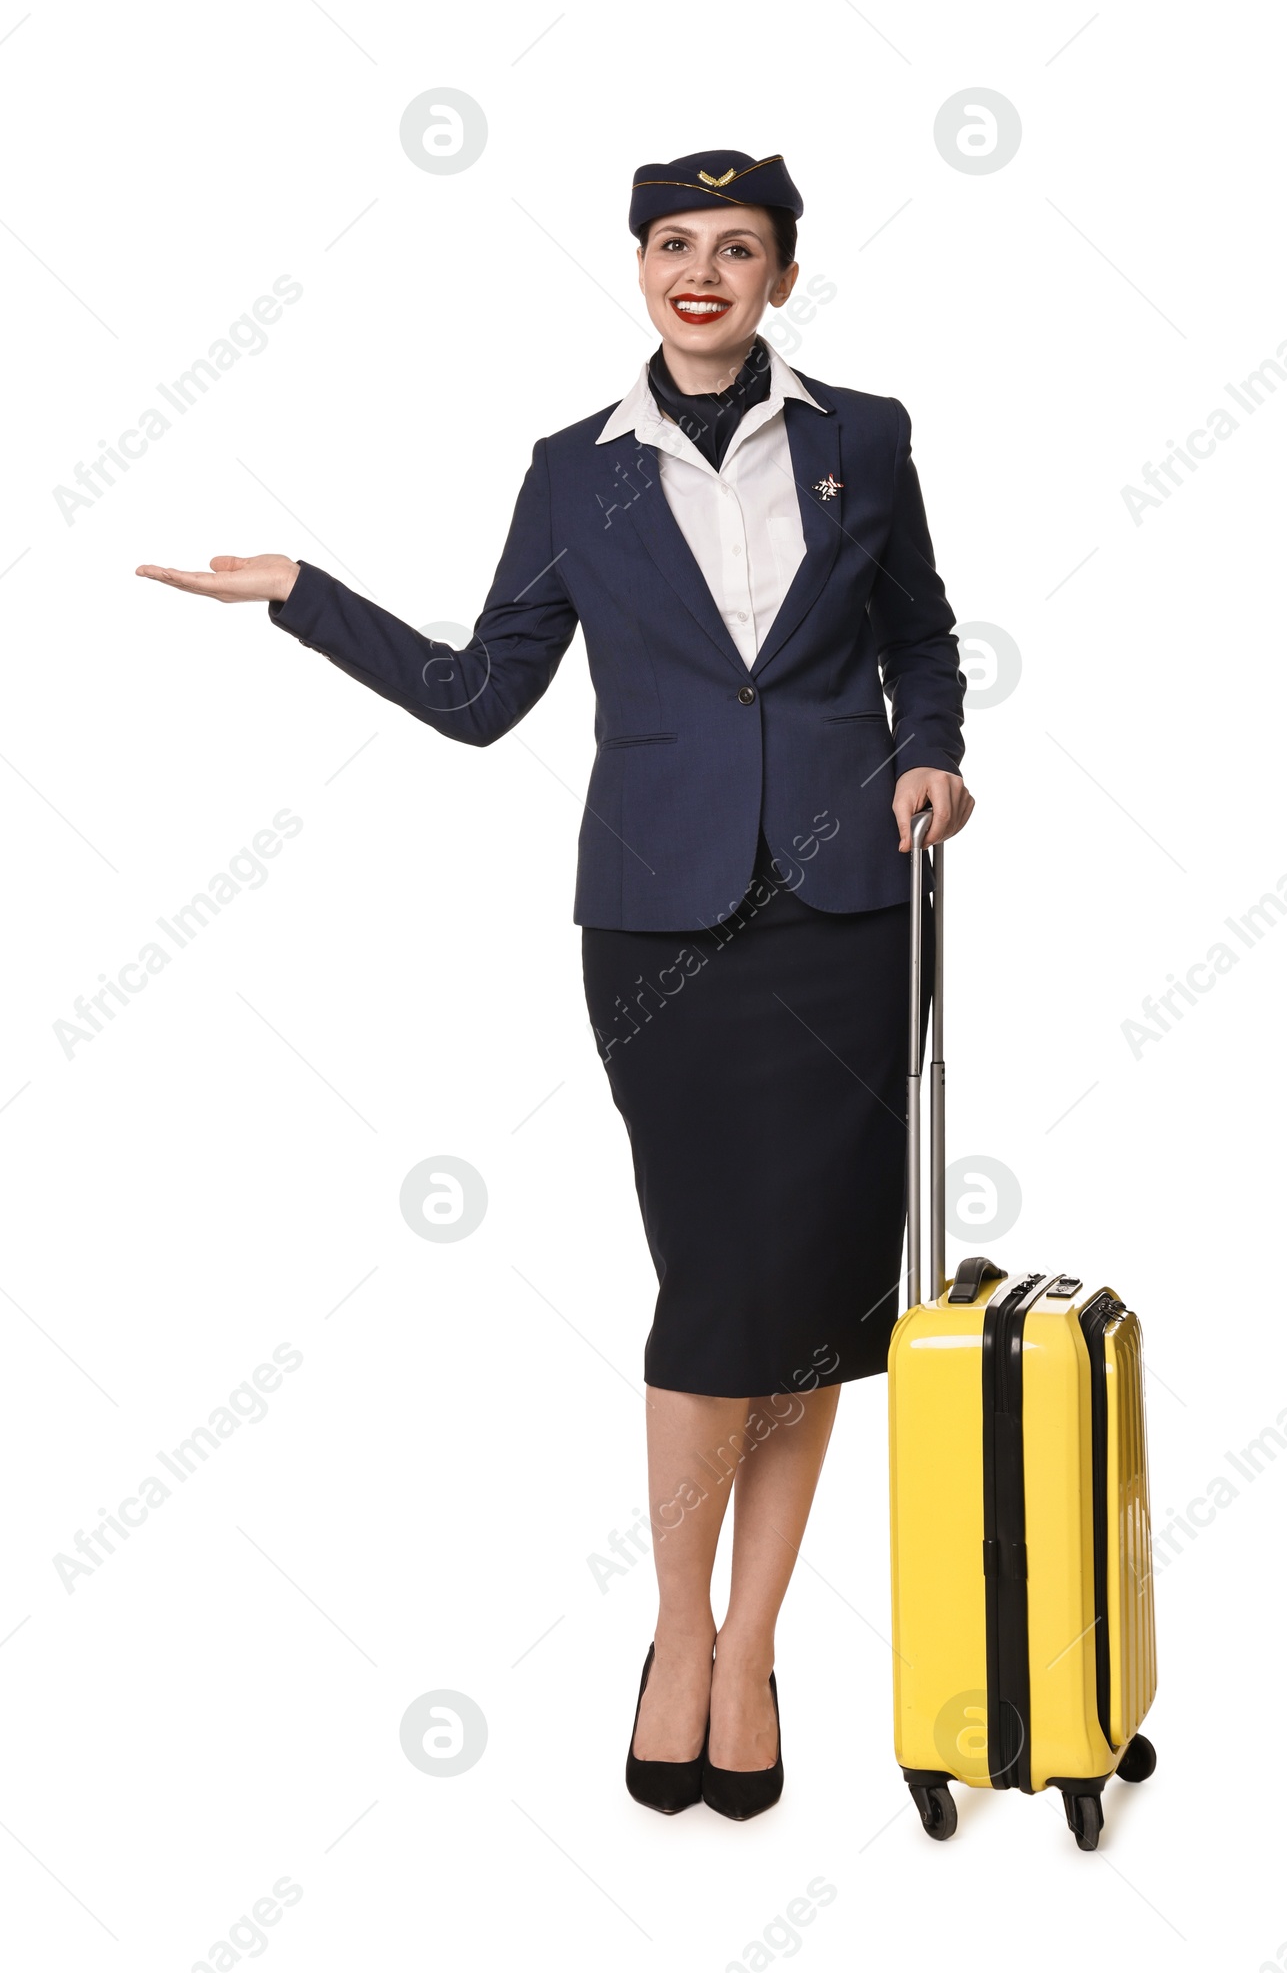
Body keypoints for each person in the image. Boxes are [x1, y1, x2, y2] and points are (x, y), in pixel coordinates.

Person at [136, 146, 973, 1821]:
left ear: (784, 278)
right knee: (711, 1285)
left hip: (848, 914)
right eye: (678, 243)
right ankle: (678, 1638)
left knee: (815, 1301)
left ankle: (755, 1652)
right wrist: (304, 597)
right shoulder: (571, 473)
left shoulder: (863, 438)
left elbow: (923, 634)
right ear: (642, 265)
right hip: (662, 932)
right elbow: (478, 695)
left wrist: (935, 753)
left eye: (742, 249)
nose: (706, 273)